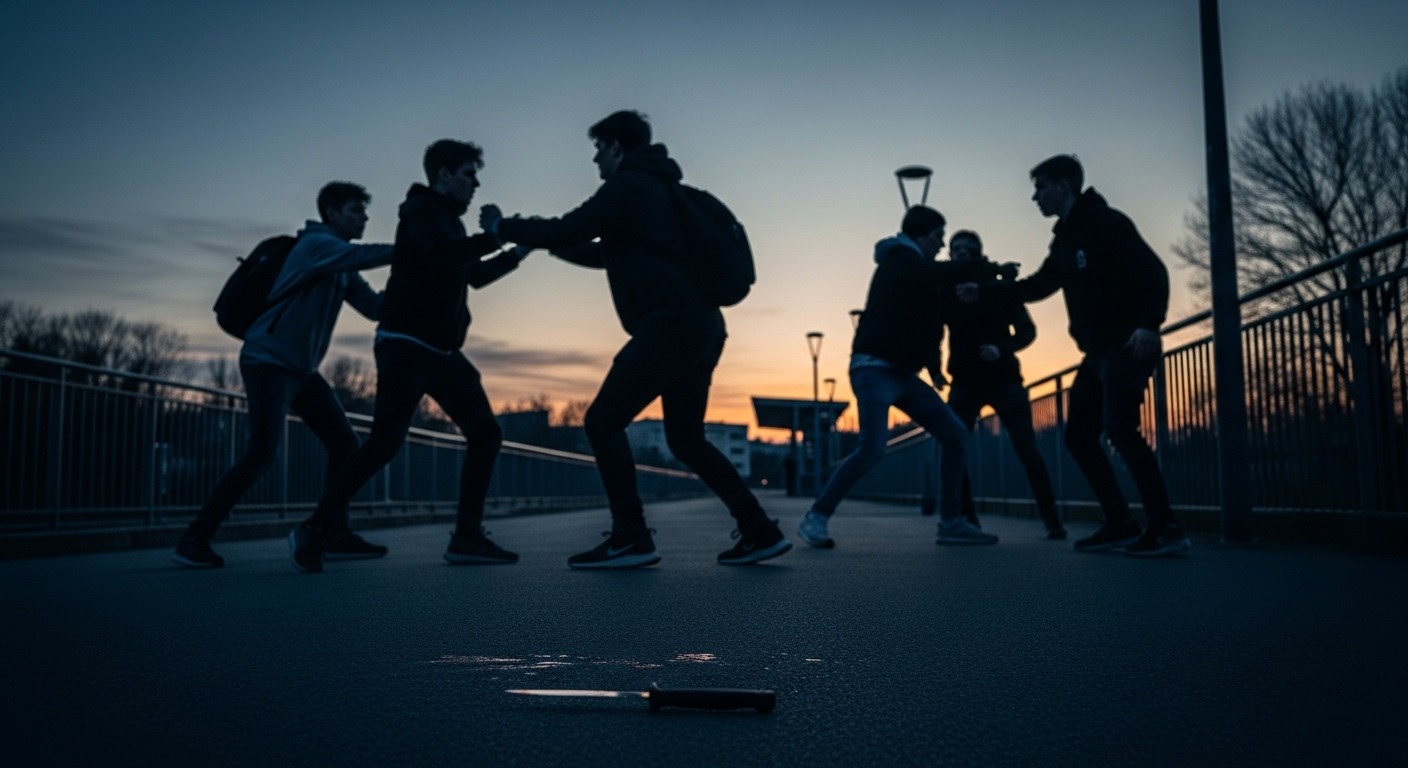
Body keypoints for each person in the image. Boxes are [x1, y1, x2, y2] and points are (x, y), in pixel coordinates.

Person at [481, 109, 790, 568]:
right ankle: (759, 530)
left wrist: (503, 226)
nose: (595, 161)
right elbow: (602, 253)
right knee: (686, 439)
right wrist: (548, 245)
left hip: (670, 326)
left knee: (603, 421)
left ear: (614, 147)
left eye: (597, 150)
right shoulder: (663, 191)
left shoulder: (629, 186)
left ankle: (631, 536)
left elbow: (570, 226)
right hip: (703, 325)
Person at [290, 140, 530, 573]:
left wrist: (517, 251)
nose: (476, 184)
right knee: (384, 442)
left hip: (440, 350)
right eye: (469, 174)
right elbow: (441, 254)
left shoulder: (450, 222)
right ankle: (315, 529)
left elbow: (473, 274)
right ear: (444, 174)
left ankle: (467, 537)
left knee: (485, 433)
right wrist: (494, 234)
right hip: (406, 345)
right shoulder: (420, 210)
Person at [967, 154, 1188, 556]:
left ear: (1063, 186)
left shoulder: (1104, 222)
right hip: (1098, 352)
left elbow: (1154, 271)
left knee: (1120, 429)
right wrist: (985, 290)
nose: (1035, 197)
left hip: (1128, 342)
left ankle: (1166, 527)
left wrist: (1149, 325)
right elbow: (1038, 285)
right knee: (1079, 436)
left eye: (1040, 188)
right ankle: (1120, 523)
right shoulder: (1065, 240)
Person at [172, 182, 393, 568]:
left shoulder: (341, 264)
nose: (364, 218)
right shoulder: (315, 245)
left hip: (301, 370)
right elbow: (365, 255)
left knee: (345, 443)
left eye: (364, 211)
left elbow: (374, 307)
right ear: (332, 213)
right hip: (268, 361)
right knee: (262, 453)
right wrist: (416, 249)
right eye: (355, 210)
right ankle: (194, 538)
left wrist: (409, 283)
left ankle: (333, 533)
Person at [795, 205, 1009, 550]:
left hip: (902, 373)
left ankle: (952, 522)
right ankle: (816, 517)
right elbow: (934, 274)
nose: (942, 244)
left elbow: (931, 327)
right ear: (922, 236)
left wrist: (934, 370)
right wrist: (988, 268)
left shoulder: (918, 271)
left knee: (954, 434)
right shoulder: (899, 259)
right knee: (872, 448)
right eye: (939, 237)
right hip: (874, 369)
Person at [939, 230, 1065, 540]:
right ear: (950, 255)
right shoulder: (946, 290)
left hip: (1003, 378)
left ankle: (1052, 520)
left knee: (1026, 446)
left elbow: (1027, 331)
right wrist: (933, 368)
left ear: (979, 253)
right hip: (965, 380)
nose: (962, 252)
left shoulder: (1000, 289)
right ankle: (966, 517)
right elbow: (933, 331)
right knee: (953, 445)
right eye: (956, 248)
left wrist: (1000, 348)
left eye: (969, 248)